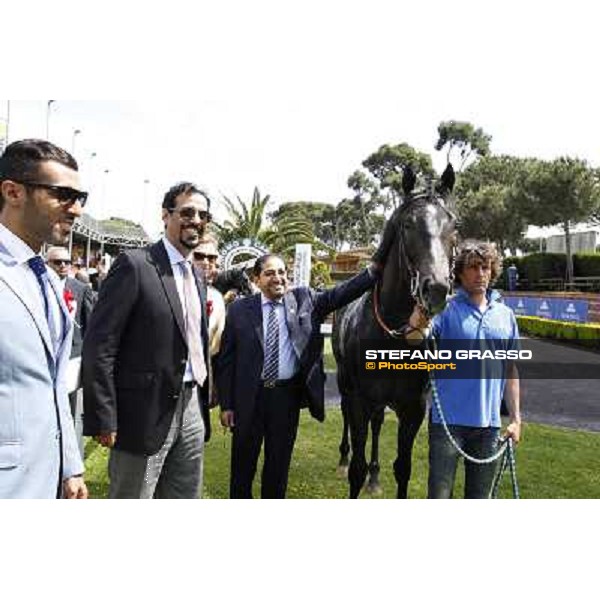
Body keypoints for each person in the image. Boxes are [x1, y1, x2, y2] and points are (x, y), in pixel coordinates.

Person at [82, 182, 212, 499]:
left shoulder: (196, 274)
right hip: (142, 412)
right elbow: (100, 345)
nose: (196, 219)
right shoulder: (135, 265)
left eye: (203, 215)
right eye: (187, 212)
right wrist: (103, 415)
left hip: (192, 405)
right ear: (166, 215)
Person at [216, 253, 381, 498]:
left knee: (278, 469)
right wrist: (227, 404)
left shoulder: (305, 300)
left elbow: (342, 293)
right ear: (256, 279)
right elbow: (227, 360)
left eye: (282, 272)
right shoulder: (240, 309)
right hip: (248, 399)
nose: (278, 278)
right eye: (270, 273)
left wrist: (373, 272)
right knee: (242, 468)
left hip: (285, 399)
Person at [0, 139, 88, 499]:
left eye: (81, 197)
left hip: (47, 475)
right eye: (63, 194)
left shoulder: (49, 279)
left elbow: (52, 383)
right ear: (12, 192)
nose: (76, 210)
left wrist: (70, 464)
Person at [412, 240, 522, 499]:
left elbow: (511, 371)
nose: (480, 273)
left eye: (485, 267)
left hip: (489, 427)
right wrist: (418, 320)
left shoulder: (505, 315)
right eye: (473, 267)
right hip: (447, 425)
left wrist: (516, 419)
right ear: (460, 273)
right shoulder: (444, 309)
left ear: (493, 270)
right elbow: (414, 339)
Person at [46, 245, 95, 458]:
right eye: (58, 262)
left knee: (74, 411)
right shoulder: (39, 286)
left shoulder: (80, 288)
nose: (63, 266)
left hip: (74, 359)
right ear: (48, 264)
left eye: (67, 262)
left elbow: (91, 325)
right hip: (46, 359)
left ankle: (74, 458)